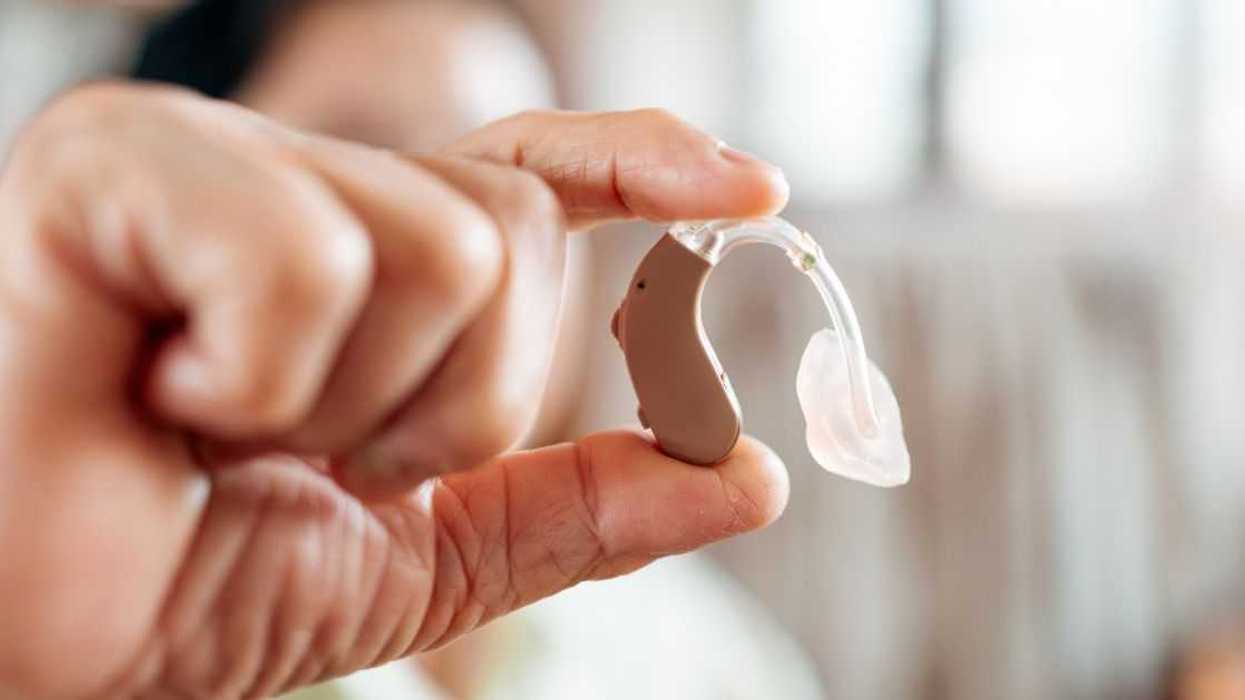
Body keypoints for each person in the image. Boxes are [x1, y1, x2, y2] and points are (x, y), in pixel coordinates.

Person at [0, 1, 793, 697]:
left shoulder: (704, 660)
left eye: (532, 201)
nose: (463, 247)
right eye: (359, 167)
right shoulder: (77, 606)